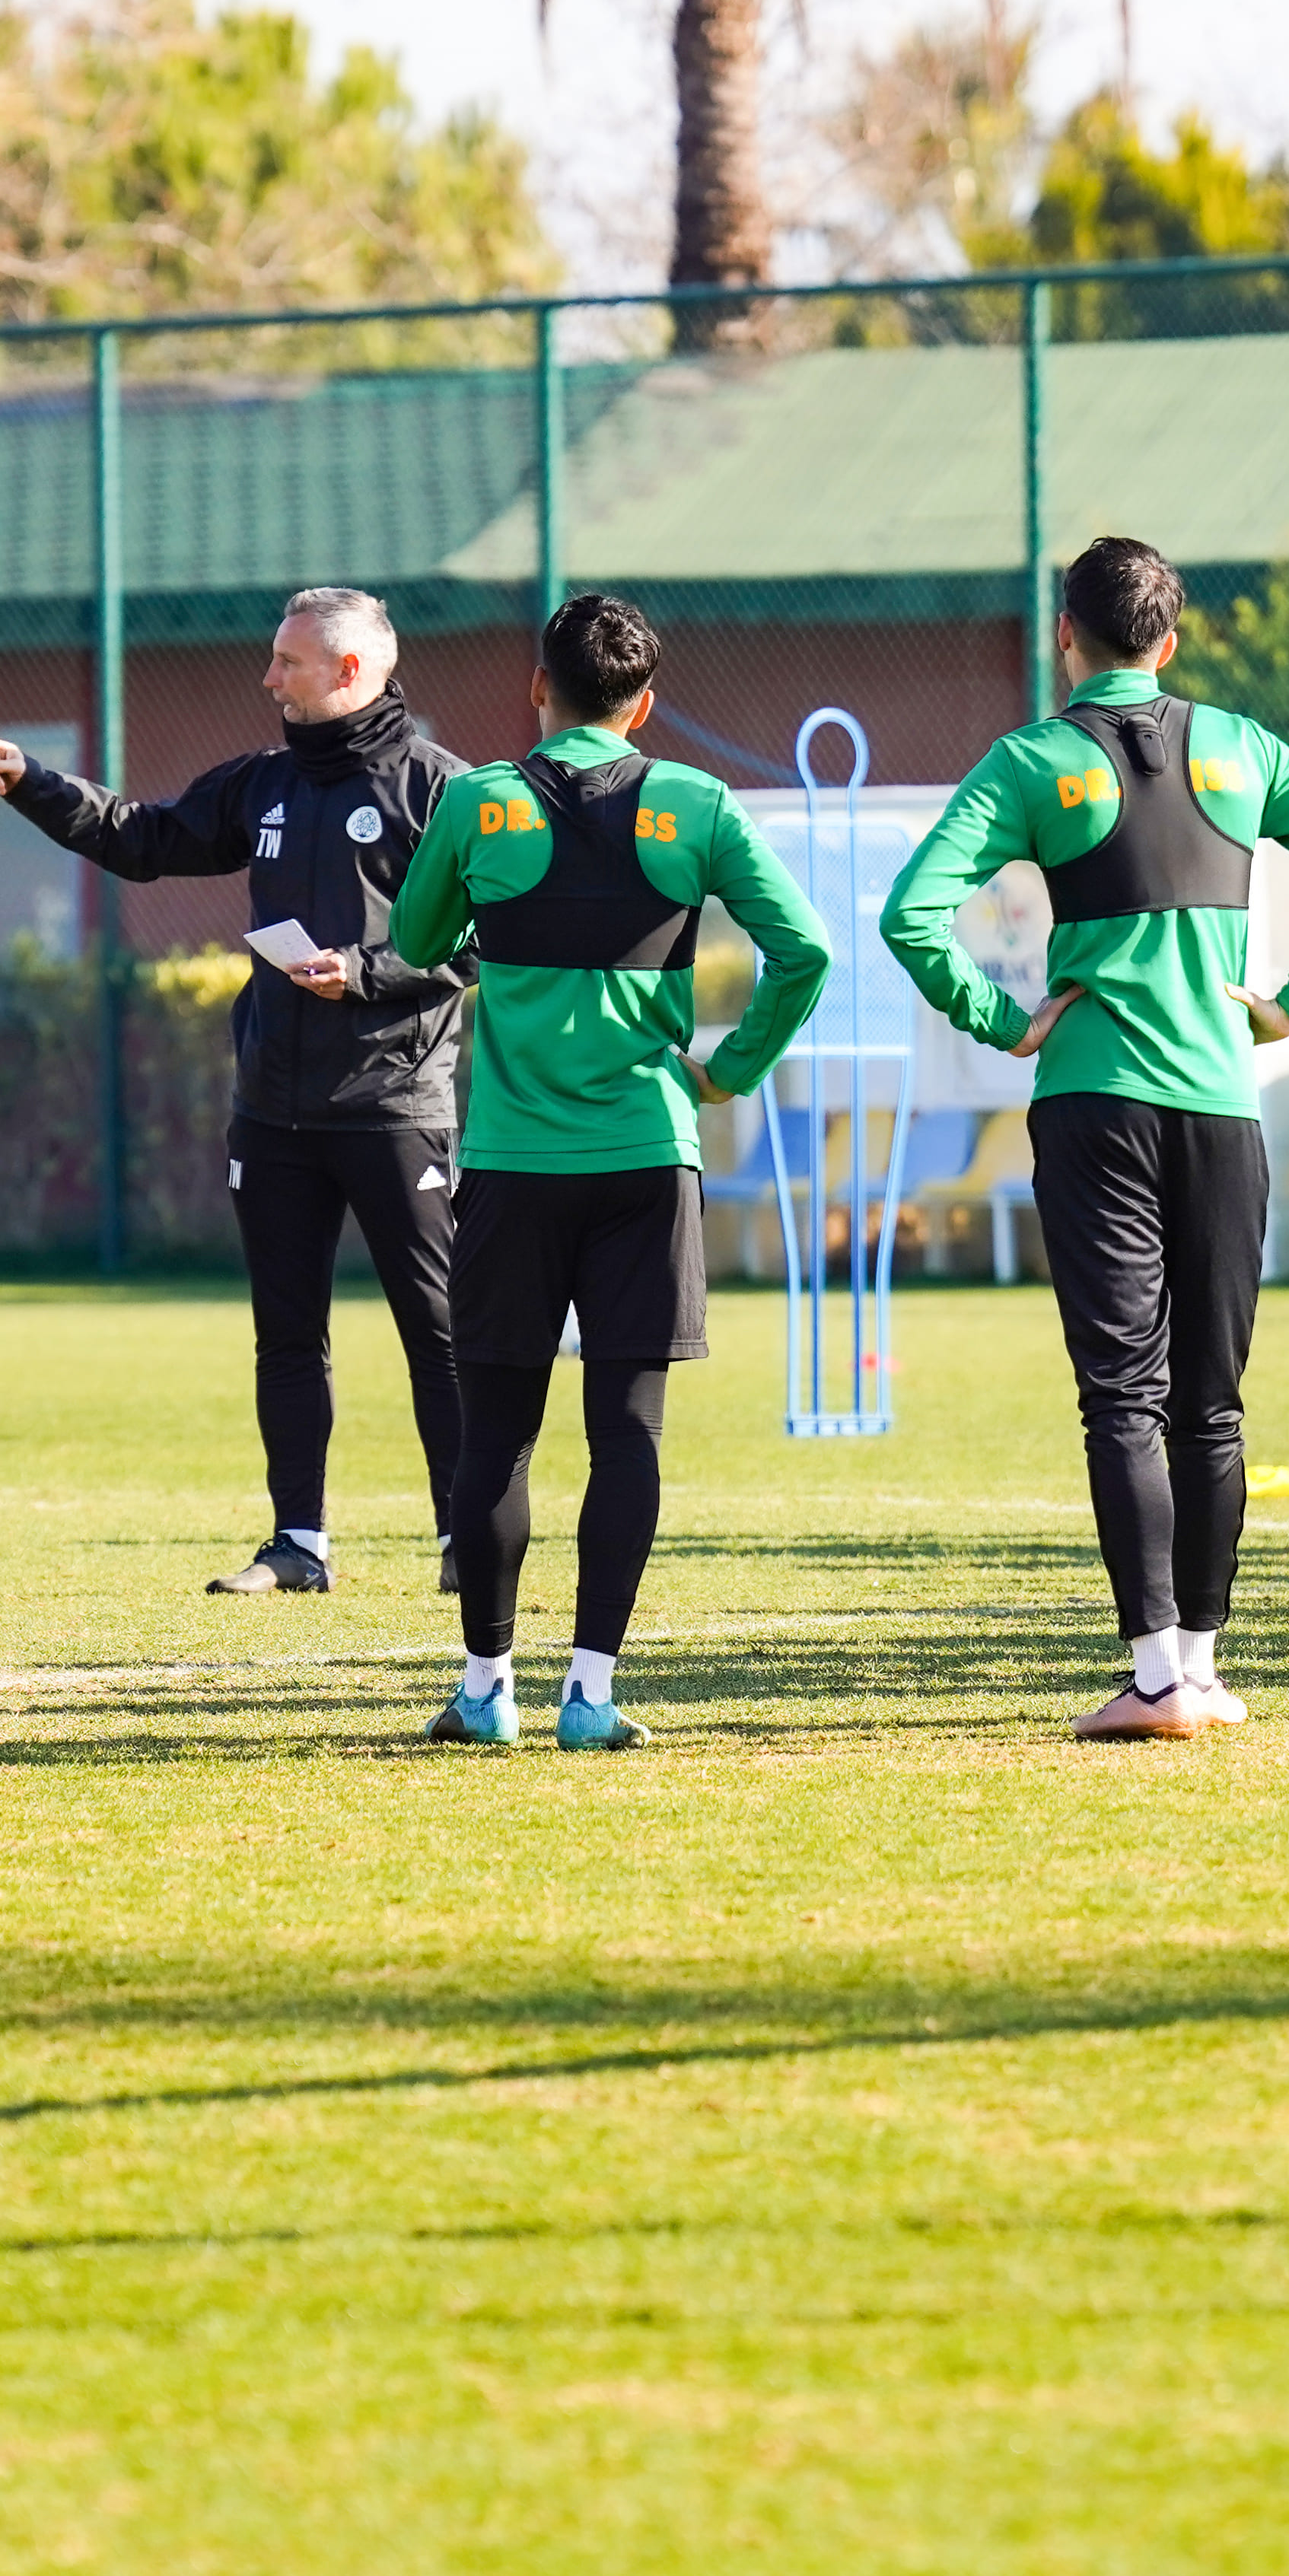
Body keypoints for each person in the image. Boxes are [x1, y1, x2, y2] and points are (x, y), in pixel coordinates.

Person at [882, 535, 1289, 1740]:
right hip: (1221, 1110)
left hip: (1093, 1108)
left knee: (1122, 1396)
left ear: (1064, 637)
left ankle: (1153, 1678)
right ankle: (1202, 1668)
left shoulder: (1031, 759)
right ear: (1170, 642)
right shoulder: (1240, 747)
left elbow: (910, 914)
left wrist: (1003, 1018)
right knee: (1212, 1404)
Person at [388, 593, 829, 1749]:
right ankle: (593, 1694)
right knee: (628, 1430)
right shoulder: (695, 803)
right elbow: (807, 948)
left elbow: (422, 945)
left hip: (511, 1165)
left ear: (538, 689)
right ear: (643, 705)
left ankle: (486, 1692)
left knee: (497, 1435)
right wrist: (729, 1068)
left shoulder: (481, 802)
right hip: (647, 1153)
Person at [0, 588, 472, 1598]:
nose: (268, 678)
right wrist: (35, 787)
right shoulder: (264, 784)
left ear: (350, 671)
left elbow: (481, 938)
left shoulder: (442, 791)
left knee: (440, 1328)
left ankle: (469, 1539)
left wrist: (367, 973)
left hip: (396, 1103)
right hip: (275, 1109)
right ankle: (297, 1545)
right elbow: (145, 839)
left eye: (288, 662)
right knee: (287, 1336)